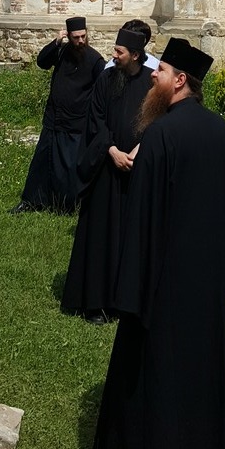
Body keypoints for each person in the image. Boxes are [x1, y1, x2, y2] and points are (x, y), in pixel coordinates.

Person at [94, 38, 225, 449]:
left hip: (163, 285)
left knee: (160, 372)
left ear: (180, 81)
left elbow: (141, 222)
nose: (153, 75)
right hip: (207, 284)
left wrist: (129, 290)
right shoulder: (223, 134)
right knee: (204, 368)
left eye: (162, 70)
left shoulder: (160, 136)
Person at [60, 26, 153, 324]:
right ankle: (95, 302)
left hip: (135, 170)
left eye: (120, 52)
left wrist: (138, 151)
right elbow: (95, 119)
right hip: (105, 167)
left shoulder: (151, 86)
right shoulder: (106, 79)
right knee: (100, 236)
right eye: (114, 50)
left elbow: (156, 123)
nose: (114, 56)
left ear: (135, 55)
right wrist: (111, 150)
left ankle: (122, 301)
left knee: (128, 236)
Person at [10, 16, 104, 214]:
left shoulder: (95, 60)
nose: (80, 41)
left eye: (83, 37)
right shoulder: (61, 51)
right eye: (76, 37)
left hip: (75, 122)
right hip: (54, 118)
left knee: (68, 166)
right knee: (42, 162)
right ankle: (33, 201)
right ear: (68, 36)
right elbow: (42, 62)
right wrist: (55, 42)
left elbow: (101, 90)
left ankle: (67, 206)